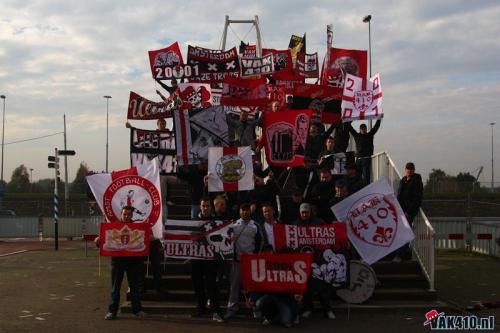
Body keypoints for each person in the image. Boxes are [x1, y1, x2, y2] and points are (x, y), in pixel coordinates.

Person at [96, 206, 146, 320]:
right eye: (125, 214)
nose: (127, 216)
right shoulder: (113, 227)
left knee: (134, 287)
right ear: (121, 214)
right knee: (115, 287)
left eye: (129, 214)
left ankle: (137, 310)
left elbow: (145, 241)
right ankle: (112, 311)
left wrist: (149, 239)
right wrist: (98, 241)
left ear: (132, 215)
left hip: (133, 262)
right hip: (117, 262)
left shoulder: (138, 228)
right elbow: (103, 241)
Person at [224, 203, 262, 320]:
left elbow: (260, 242)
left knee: (253, 286)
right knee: (234, 286)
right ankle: (231, 309)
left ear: (250, 211)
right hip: (237, 261)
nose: (245, 212)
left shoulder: (256, 225)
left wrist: (255, 256)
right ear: (239, 211)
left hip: (251, 261)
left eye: (247, 210)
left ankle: (256, 309)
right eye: (243, 210)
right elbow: (227, 242)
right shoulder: (233, 225)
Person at [190, 197, 224, 322]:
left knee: (212, 285)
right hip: (197, 258)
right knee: (197, 284)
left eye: (208, 206)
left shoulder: (218, 221)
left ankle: (216, 310)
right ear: (200, 206)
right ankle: (201, 308)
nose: (205, 208)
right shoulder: (193, 221)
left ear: (211, 207)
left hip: (211, 258)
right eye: (203, 205)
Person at [393, 162, 423, 262]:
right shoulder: (403, 180)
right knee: (399, 232)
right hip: (401, 211)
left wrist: (408, 211)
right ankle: (399, 253)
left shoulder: (417, 182)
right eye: (408, 169)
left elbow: (417, 199)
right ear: (405, 170)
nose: (409, 170)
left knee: (405, 233)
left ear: (414, 170)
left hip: (409, 212)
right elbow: (399, 196)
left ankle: (400, 255)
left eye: (411, 169)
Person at [347, 119, 381, 184]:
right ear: (360, 129)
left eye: (364, 128)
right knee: (356, 176)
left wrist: (379, 119)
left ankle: (366, 190)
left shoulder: (369, 135)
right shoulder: (357, 136)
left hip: (366, 159)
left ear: (366, 129)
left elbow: (376, 127)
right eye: (362, 129)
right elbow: (350, 128)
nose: (363, 130)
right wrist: (348, 120)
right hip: (358, 160)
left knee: (366, 177)